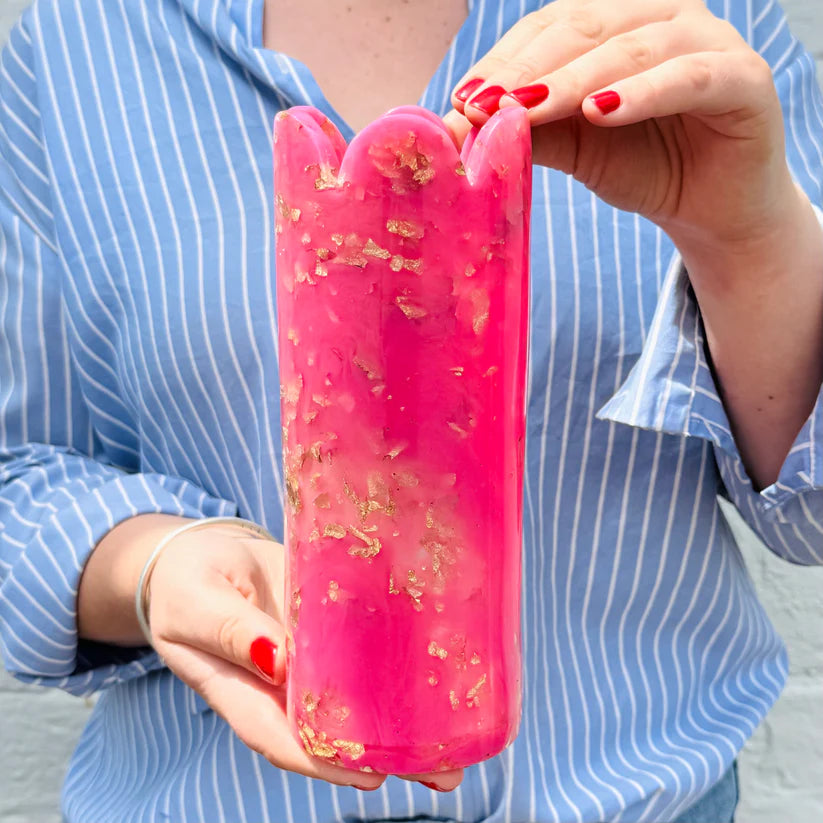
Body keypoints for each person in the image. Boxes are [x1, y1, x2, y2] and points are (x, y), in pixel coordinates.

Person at [1, 0, 821, 821]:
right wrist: (156, 562)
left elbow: (809, 520)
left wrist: (748, 241)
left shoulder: (703, 20)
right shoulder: (77, 40)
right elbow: (19, 475)